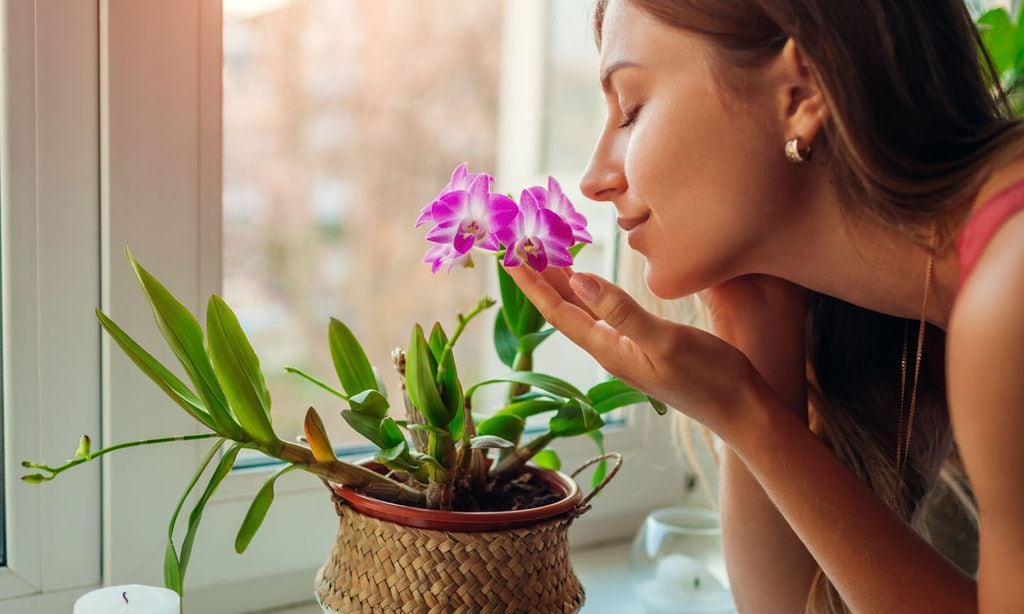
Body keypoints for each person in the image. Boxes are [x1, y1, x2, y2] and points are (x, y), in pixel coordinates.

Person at [504, 1, 1024, 612]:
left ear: (801, 92)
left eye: (633, 108)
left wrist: (745, 411)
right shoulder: (933, 294)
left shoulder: (1008, 291)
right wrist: (752, 345)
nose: (594, 177)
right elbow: (783, 606)